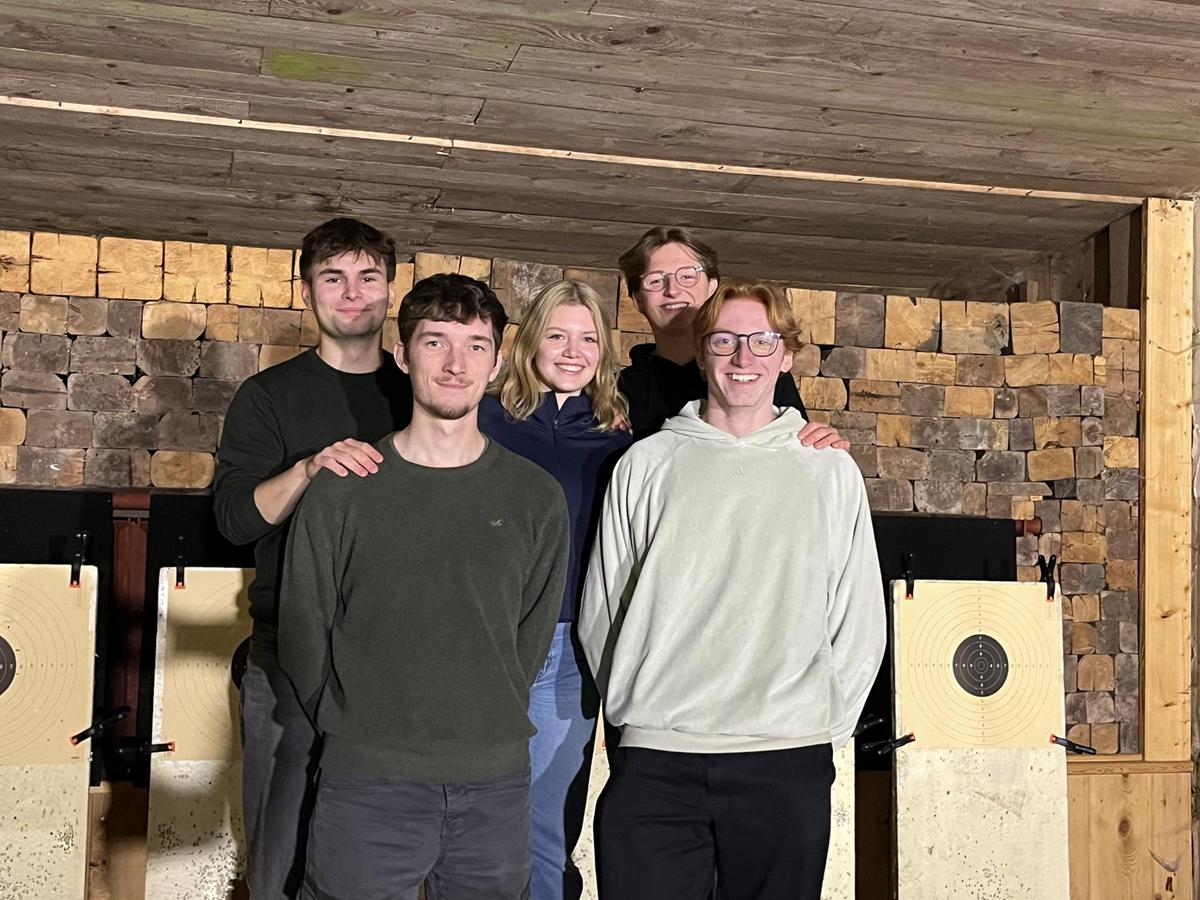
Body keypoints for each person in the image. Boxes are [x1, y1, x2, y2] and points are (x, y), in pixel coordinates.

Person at [579, 280, 886, 900]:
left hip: (786, 757)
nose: (743, 357)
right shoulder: (646, 463)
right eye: (724, 341)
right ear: (701, 353)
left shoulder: (828, 470)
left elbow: (858, 616)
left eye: (762, 341)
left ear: (786, 354)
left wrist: (819, 724)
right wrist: (636, 708)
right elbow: (603, 609)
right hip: (658, 759)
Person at [279, 274, 570, 900]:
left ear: (496, 363)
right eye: (435, 342)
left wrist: (482, 718)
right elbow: (304, 628)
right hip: (367, 781)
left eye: (475, 345)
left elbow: (531, 636)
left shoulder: (534, 497)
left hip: (493, 787)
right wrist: (354, 729)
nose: (456, 364)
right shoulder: (344, 488)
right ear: (403, 355)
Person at [212, 217, 411, 899]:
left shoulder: (422, 393)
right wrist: (307, 470)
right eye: (334, 278)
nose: (352, 293)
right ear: (306, 292)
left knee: (379, 853)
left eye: (368, 277)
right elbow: (235, 522)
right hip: (289, 655)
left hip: (396, 657)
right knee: (280, 852)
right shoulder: (268, 396)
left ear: (391, 289)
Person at [477, 280, 633, 900]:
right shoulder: (483, 419)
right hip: (489, 641)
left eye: (588, 338)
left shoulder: (621, 441)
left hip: (573, 652)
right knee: (476, 811)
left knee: (546, 822)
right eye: (558, 335)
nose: (573, 352)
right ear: (530, 341)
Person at [618, 225, 845, 445]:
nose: (673, 290)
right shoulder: (619, 390)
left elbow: (798, 445)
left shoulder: (757, 372)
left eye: (687, 276)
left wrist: (824, 444)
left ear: (712, 287)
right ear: (637, 299)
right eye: (656, 281)